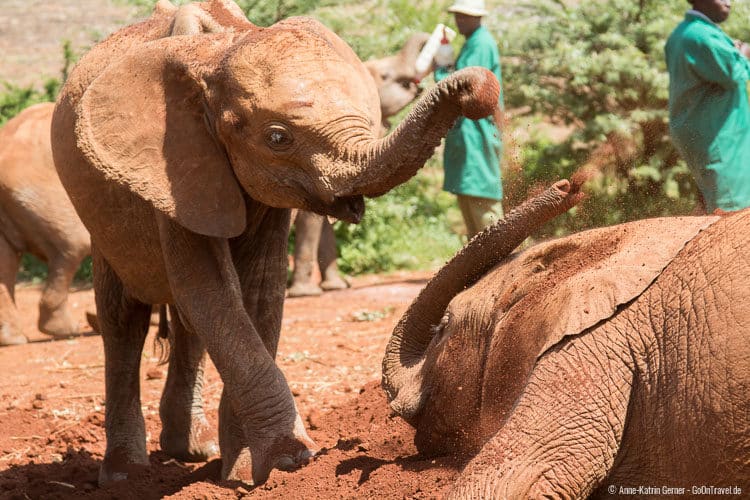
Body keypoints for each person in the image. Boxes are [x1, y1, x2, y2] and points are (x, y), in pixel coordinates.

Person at [665, 0, 750, 213]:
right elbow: (735, 73)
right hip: (719, 138)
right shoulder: (701, 36)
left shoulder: (683, 34)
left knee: (712, 204)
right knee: (733, 211)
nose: (728, 1)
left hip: (705, 131)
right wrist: (743, 54)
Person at [434, 0, 503, 238]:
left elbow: (465, 86)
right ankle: (479, 264)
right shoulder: (472, 43)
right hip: (468, 132)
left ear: (478, 18)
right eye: (457, 16)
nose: (459, 21)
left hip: (477, 131)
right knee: (468, 196)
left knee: (481, 195)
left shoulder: (481, 44)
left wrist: (441, 70)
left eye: (465, 16)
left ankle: (497, 261)